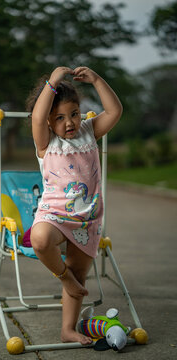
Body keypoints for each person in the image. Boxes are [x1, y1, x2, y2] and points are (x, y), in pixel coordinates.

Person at [26, 66, 122, 345]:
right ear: (48, 122)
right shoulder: (46, 144)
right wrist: (52, 82)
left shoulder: (90, 131)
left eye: (74, 114)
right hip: (53, 215)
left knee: (80, 272)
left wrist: (97, 80)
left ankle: (67, 329)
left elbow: (115, 111)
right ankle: (64, 278)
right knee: (40, 239)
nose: (69, 122)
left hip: (87, 219)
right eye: (59, 117)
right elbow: (36, 115)